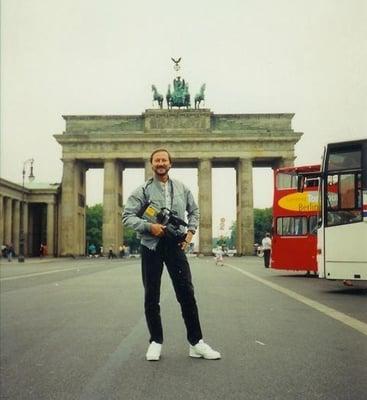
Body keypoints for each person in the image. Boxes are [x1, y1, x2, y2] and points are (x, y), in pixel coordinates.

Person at [122, 148, 221, 361]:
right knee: (151, 296)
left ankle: (196, 343)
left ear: (170, 163)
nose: (160, 163)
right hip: (151, 246)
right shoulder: (142, 191)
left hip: (175, 247)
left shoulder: (182, 189)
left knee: (186, 293)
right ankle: (155, 342)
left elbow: (194, 211)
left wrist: (191, 232)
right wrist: (150, 227)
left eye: (164, 160)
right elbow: (127, 216)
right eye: (157, 160)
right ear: (152, 164)